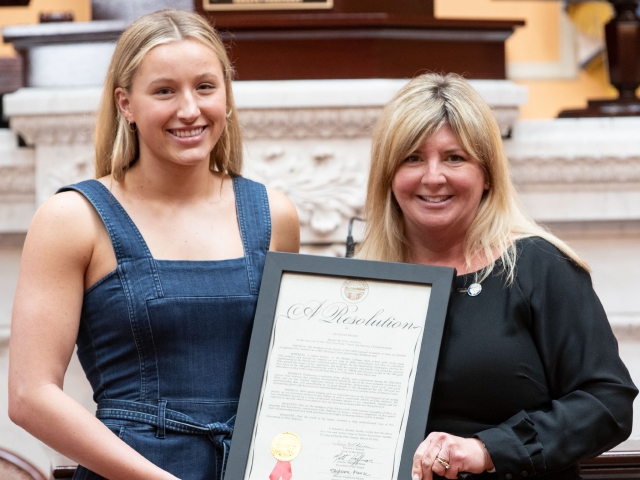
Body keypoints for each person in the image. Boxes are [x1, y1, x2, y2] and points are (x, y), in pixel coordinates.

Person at [8, 10, 299, 480]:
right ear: (126, 104)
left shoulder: (274, 216)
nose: (189, 109)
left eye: (205, 87)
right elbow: (29, 396)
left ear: (226, 95)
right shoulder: (73, 218)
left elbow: (287, 376)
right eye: (164, 90)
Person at [357, 73, 637, 480]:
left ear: (487, 173)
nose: (433, 177)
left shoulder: (540, 266)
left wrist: (489, 449)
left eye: (455, 158)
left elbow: (608, 403)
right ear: (388, 174)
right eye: (412, 158)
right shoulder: (359, 279)